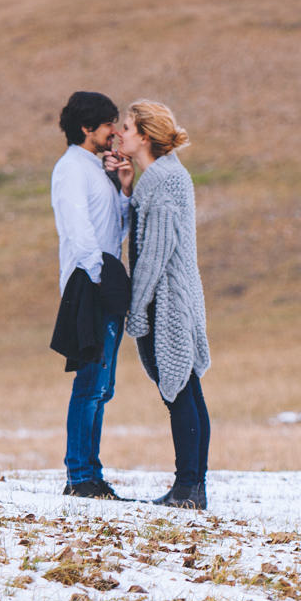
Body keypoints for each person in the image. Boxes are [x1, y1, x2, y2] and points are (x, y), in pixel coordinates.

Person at [119, 100, 211, 511]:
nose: (118, 133)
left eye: (124, 127)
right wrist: (126, 188)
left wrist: (136, 307)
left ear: (143, 135)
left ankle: (189, 488)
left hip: (168, 301)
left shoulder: (166, 181)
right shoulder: (157, 178)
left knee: (180, 390)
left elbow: (155, 252)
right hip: (172, 296)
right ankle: (190, 486)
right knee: (185, 389)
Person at [50, 91, 134, 500]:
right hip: (90, 284)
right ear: (86, 128)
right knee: (89, 383)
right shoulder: (71, 170)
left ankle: (92, 472)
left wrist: (122, 187)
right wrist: (102, 279)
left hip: (104, 283)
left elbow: (114, 229)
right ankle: (79, 475)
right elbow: (79, 230)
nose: (114, 132)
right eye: (108, 124)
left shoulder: (95, 170)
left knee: (103, 386)